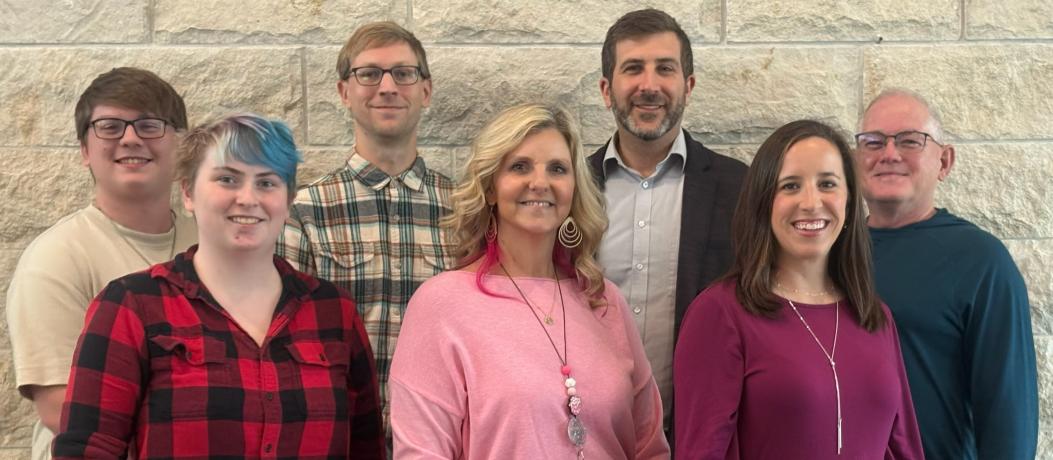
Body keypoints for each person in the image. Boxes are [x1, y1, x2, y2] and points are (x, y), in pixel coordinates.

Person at [52, 114, 385, 459]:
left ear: (288, 202)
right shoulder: (132, 305)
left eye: (267, 183)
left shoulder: (334, 312)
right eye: (227, 179)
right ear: (187, 193)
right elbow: (86, 450)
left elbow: (366, 448)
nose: (247, 198)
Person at [390, 104, 669, 459]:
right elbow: (421, 452)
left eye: (557, 168)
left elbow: (650, 447)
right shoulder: (441, 304)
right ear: (490, 188)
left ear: (573, 189)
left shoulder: (604, 300)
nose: (540, 182)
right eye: (519, 166)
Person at [673, 120, 924, 459]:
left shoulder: (875, 316)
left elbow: (903, 447)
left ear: (849, 201)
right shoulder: (720, 313)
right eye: (790, 186)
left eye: (827, 184)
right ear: (764, 203)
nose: (811, 202)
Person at [5, 67, 197, 460]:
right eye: (109, 127)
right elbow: (61, 408)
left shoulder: (212, 243)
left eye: (149, 125)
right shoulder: (56, 257)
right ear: (84, 151)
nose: (130, 138)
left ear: (180, 145)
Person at [276, 21, 454, 439]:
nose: (388, 87)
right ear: (344, 92)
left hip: (439, 438)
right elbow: (283, 344)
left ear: (425, 91)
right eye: (369, 73)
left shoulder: (464, 210)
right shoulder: (304, 212)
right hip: (340, 437)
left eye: (403, 73)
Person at [588, 8, 748, 434]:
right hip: (583, 436)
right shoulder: (569, 189)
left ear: (688, 85)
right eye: (633, 69)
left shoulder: (742, 191)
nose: (649, 85)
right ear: (607, 89)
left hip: (698, 436)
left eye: (665, 68)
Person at [857, 89, 1038, 459]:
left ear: (944, 161)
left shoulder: (980, 262)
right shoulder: (829, 253)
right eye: (873, 142)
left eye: (910, 141)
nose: (888, 154)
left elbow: (1008, 417)